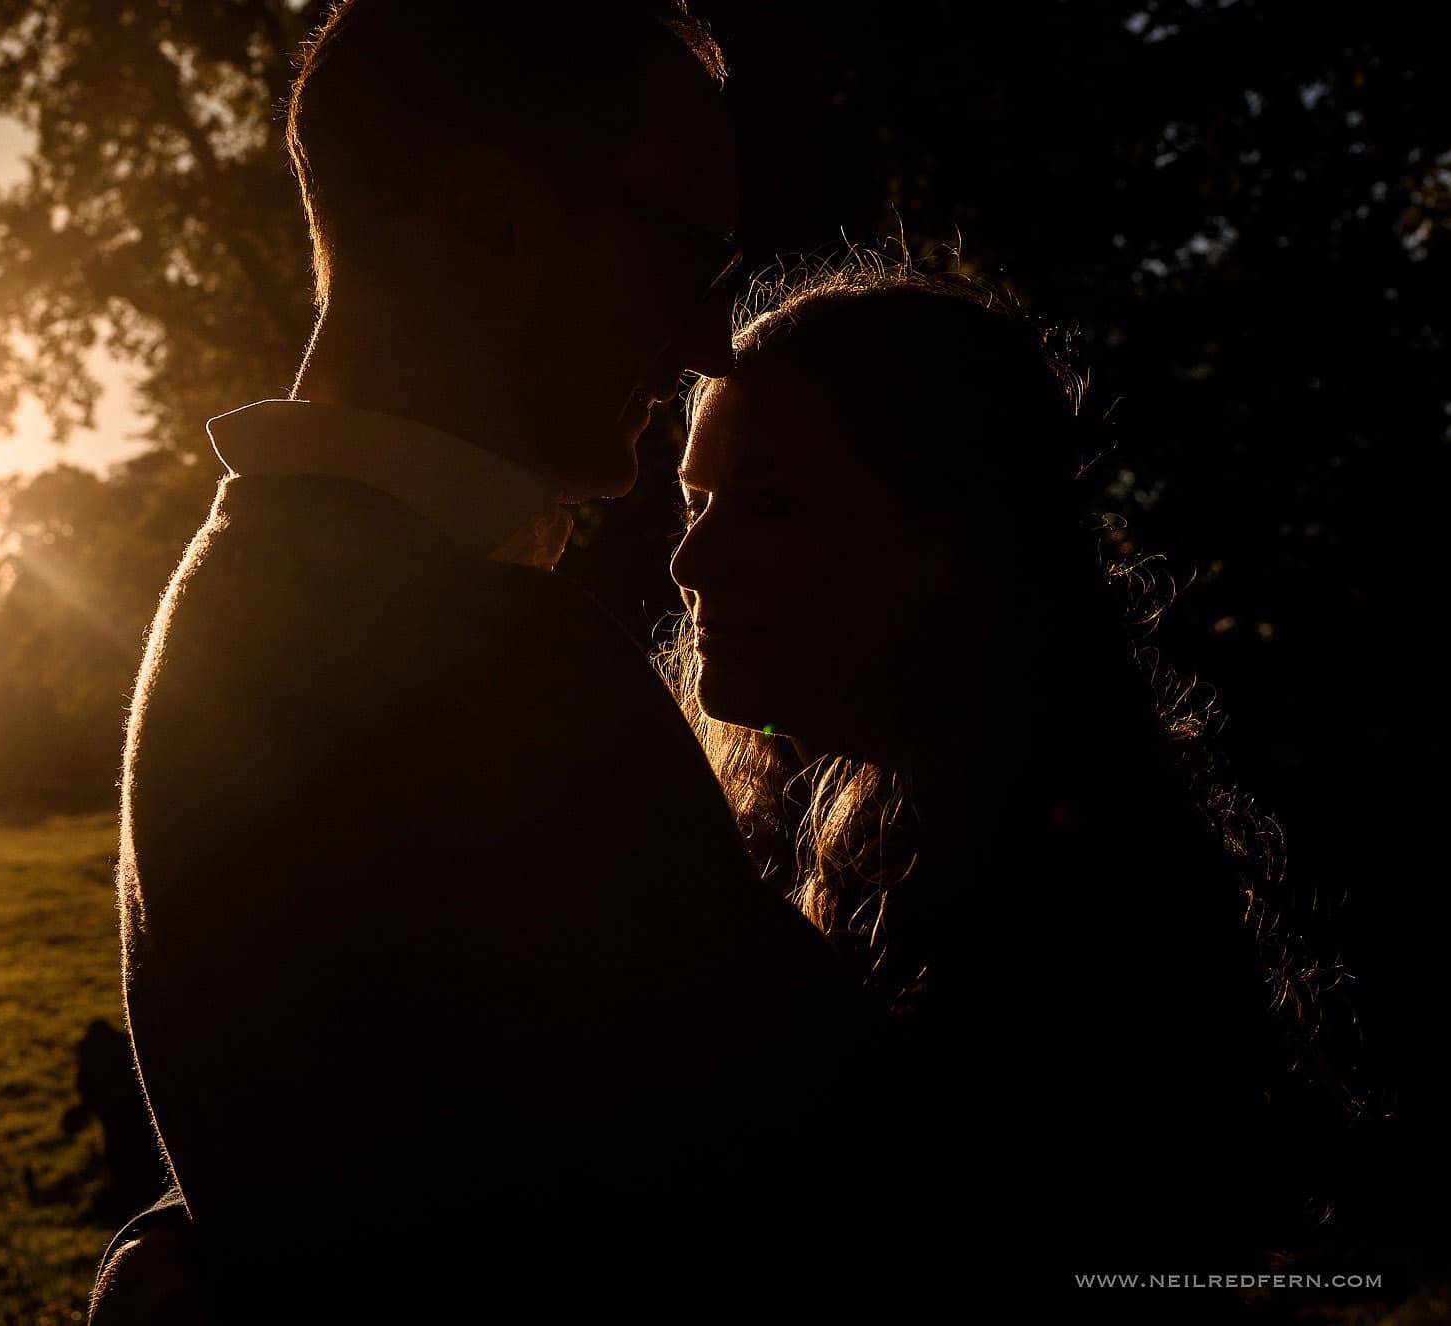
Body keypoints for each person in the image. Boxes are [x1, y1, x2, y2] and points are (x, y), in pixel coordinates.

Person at [99, 2, 879, 1318]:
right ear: (488, 225)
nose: (705, 342)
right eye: (682, 254)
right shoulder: (477, 661)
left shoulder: (244, 595)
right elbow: (872, 1209)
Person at [666, 258, 1296, 1307]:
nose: (690, 560)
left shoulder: (1085, 919)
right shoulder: (778, 842)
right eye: (695, 498)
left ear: (955, 537)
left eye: (772, 503)